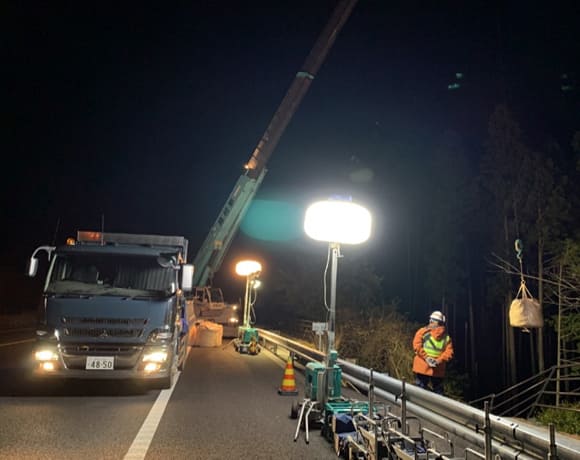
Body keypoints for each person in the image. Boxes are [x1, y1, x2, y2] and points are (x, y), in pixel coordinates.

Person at [412, 310, 454, 394]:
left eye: (432, 320)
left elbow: (416, 346)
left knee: (419, 392)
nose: (430, 321)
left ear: (437, 322)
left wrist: (427, 358)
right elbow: (449, 353)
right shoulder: (446, 337)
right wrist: (438, 361)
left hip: (422, 367)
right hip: (438, 369)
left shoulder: (422, 332)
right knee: (438, 393)